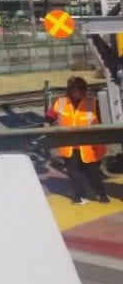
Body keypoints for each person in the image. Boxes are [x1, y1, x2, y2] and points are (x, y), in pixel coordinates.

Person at [46, 75, 110, 204]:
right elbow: (49, 118)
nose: (82, 92)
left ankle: (101, 193)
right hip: (68, 145)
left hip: (90, 146)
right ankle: (80, 195)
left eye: (84, 89)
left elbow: (105, 122)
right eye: (79, 89)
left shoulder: (93, 103)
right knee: (74, 173)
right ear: (71, 90)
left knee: (93, 172)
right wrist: (45, 132)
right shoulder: (60, 102)